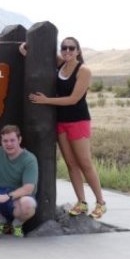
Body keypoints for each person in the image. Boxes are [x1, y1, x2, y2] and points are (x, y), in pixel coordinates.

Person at [19, 37, 106, 219]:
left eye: (71, 48)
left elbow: (74, 99)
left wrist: (46, 100)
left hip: (78, 120)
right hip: (61, 121)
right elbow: (32, 52)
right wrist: (24, 46)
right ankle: (81, 203)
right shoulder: (61, 64)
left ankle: (100, 203)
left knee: (85, 163)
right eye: (64, 47)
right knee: (71, 164)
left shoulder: (83, 70)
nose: (67, 51)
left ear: (78, 50)